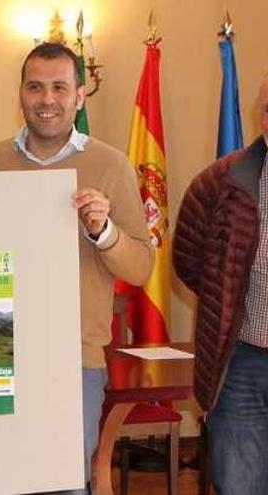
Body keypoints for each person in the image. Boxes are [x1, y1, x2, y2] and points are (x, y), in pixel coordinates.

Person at [0, 42, 154, 493]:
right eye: (35, 87)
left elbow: (141, 267)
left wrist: (104, 231)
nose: (47, 99)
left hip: (75, 360)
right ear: (20, 93)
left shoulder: (111, 165)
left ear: (80, 95)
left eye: (59, 87)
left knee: (66, 484)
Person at [172, 73, 268, 495]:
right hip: (239, 364)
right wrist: (224, 304)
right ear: (261, 116)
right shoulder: (219, 183)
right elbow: (191, 261)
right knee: (240, 485)